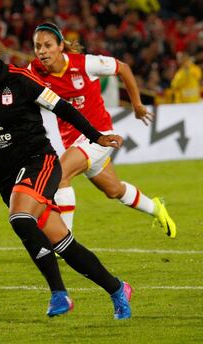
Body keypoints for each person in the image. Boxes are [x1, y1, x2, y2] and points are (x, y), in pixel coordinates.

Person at [0, 22, 132, 320]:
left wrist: (96, 137)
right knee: (63, 244)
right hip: (4, 176)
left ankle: (59, 294)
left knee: (19, 216)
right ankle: (117, 288)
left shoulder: (20, 80)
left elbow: (62, 108)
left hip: (38, 161)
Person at [29, 22, 176, 238]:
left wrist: (137, 105)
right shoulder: (35, 70)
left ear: (61, 45)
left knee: (59, 175)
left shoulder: (86, 64)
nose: (42, 51)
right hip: (74, 142)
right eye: (37, 46)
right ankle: (156, 208)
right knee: (114, 190)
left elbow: (123, 68)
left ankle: (64, 240)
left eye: (48, 45)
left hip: (99, 136)